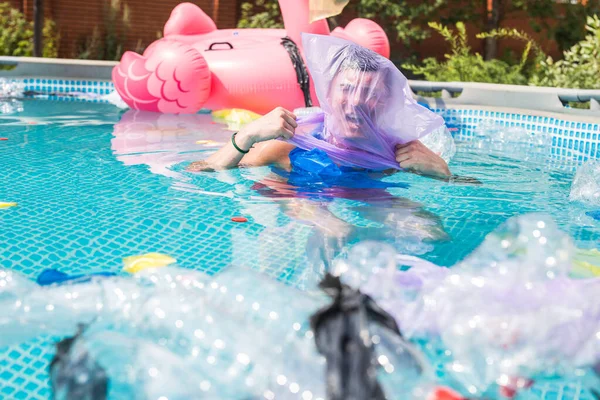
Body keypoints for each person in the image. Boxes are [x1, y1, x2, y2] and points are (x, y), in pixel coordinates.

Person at [187, 44, 451, 179]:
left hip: (376, 213)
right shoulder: (295, 142)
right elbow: (198, 171)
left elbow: (475, 191)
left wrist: (444, 172)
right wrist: (247, 135)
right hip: (302, 212)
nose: (356, 101)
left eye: (370, 93)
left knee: (429, 234)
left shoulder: (401, 152)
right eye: (347, 89)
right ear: (328, 93)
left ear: (386, 102)